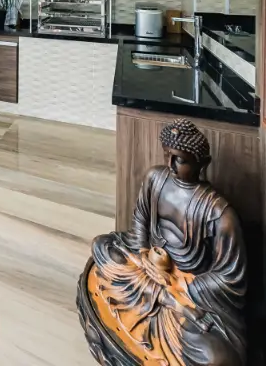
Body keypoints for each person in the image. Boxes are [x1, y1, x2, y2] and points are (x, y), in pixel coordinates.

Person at [90, 118, 247, 366]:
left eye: (180, 160)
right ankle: (164, 301)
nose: (171, 165)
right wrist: (143, 252)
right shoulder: (156, 178)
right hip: (146, 268)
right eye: (167, 155)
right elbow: (140, 219)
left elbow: (230, 278)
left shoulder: (218, 214)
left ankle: (166, 303)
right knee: (102, 246)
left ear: (202, 163)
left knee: (217, 359)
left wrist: (180, 284)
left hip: (186, 288)